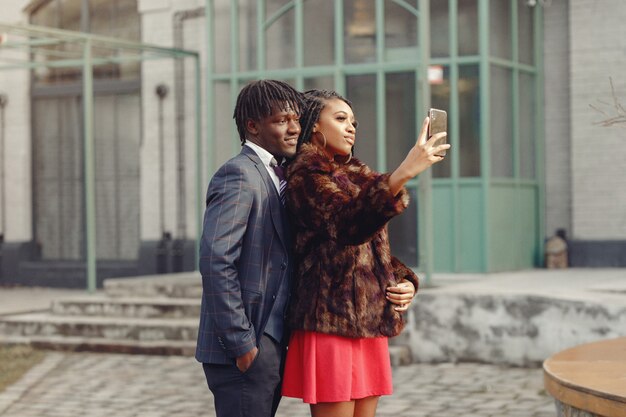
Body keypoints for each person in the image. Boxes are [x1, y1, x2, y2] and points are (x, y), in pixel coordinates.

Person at [281, 89, 450, 417]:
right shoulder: (305, 176)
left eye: (354, 121)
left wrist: (405, 281)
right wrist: (403, 173)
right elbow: (346, 226)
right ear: (314, 125)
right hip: (330, 320)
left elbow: (371, 249)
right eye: (340, 118)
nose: (351, 127)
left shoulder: (357, 177)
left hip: (369, 323)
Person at [195, 79, 303, 417]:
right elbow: (216, 260)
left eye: (296, 120)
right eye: (282, 120)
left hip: (271, 338)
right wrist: (242, 344)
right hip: (246, 342)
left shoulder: (280, 174)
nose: (293, 129)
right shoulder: (237, 174)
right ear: (253, 126)